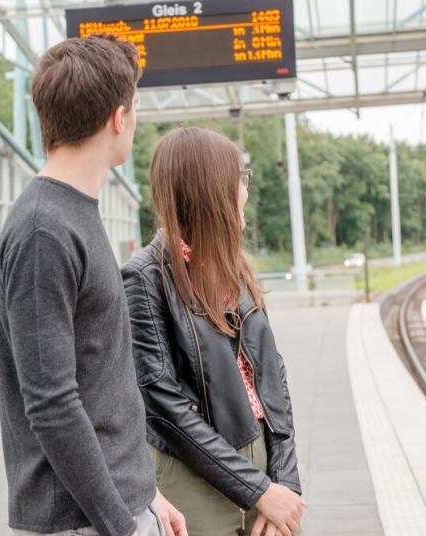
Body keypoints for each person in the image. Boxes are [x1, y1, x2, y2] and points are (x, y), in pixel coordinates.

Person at [0, 34, 186, 536]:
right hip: (81, 521)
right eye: (135, 108)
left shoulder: (73, 213)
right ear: (118, 117)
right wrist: (121, 524)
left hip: (117, 506)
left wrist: (148, 493)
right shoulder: (43, 232)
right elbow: (52, 404)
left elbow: (101, 378)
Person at [121, 127, 304, 536]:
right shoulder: (144, 279)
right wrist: (260, 490)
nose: (245, 188)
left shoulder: (234, 268)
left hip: (263, 468)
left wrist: (286, 484)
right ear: (212, 188)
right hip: (193, 480)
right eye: (241, 177)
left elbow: (273, 378)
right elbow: (164, 406)